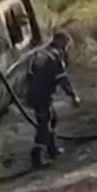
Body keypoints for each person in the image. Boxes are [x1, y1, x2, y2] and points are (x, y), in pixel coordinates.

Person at [25, 31, 80, 168]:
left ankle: (52, 149)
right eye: (66, 44)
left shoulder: (42, 52)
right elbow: (63, 80)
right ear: (60, 41)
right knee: (45, 123)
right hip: (41, 94)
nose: (66, 48)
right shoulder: (55, 57)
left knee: (52, 118)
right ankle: (37, 156)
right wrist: (73, 96)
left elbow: (29, 73)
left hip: (35, 92)